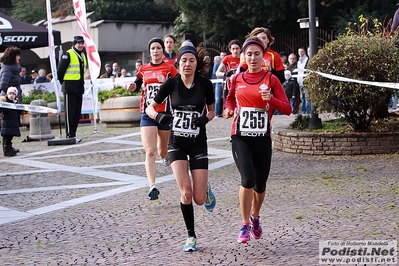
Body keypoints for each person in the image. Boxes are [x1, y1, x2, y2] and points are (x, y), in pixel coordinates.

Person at [145, 40, 216, 252]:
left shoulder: (205, 85)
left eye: (191, 60)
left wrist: (205, 119)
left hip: (198, 143)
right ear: (178, 63)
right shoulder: (171, 84)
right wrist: (159, 116)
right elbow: (150, 108)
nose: (187, 64)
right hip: (176, 143)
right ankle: (191, 236)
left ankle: (206, 189)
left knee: (199, 199)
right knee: (185, 193)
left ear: (196, 63)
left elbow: (212, 111)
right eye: (184, 60)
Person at [222, 36, 291, 243]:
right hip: (240, 136)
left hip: (262, 138)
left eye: (257, 54)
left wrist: (273, 100)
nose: (253, 58)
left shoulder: (271, 80)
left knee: (260, 185)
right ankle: (244, 225)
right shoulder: (236, 78)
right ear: (244, 56)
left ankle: (255, 216)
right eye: (249, 54)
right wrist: (228, 109)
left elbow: (287, 109)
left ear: (264, 56)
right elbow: (229, 99)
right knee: (248, 180)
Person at [128, 37, 178, 200]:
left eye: (158, 48)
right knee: (150, 151)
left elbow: (178, 85)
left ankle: (165, 157)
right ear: (149, 52)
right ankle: (152, 186)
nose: (155, 51)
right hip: (148, 114)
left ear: (163, 51)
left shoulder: (170, 68)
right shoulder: (144, 69)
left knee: (163, 151)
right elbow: (137, 84)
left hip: (165, 114)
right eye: (153, 48)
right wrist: (133, 87)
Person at [57, 35, 88, 143]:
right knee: (70, 112)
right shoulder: (68, 54)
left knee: (76, 112)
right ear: (74, 44)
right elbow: (60, 71)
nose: (80, 45)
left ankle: (74, 133)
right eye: (78, 43)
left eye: (82, 43)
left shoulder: (83, 55)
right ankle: (69, 134)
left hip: (79, 86)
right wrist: (64, 83)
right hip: (69, 86)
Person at [215, 40, 242, 109]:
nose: (235, 51)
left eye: (237, 48)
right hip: (230, 85)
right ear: (230, 50)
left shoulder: (244, 58)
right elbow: (217, 73)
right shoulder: (227, 58)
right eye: (233, 49)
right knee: (231, 107)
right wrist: (226, 74)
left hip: (242, 85)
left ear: (240, 49)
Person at [0, 87, 22, 156]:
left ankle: (9, 148)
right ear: (7, 94)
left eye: (13, 94)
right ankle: (7, 150)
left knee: (10, 137)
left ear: (16, 96)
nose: (11, 95)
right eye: (10, 94)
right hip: (7, 123)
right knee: (7, 138)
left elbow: (20, 112)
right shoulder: (5, 103)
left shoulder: (16, 103)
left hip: (13, 123)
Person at [296, 47, 310, 114]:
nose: (300, 53)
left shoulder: (307, 60)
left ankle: (308, 112)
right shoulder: (299, 61)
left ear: (304, 52)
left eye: (302, 51)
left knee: (307, 98)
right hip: (300, 82)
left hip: (306, 82)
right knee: (302, 98)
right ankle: (303, 112)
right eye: (299, 52)